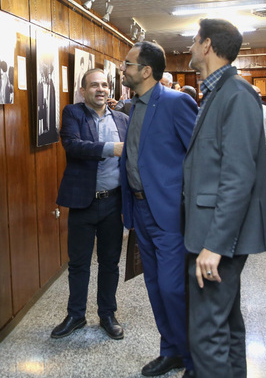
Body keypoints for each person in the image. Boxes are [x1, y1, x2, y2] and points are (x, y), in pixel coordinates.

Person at [183, 18, 266, 378]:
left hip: (216, 238)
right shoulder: (218, 92)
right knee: (226, 324)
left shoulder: (237, 95)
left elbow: (238, 178)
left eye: (194, 40)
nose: (190, 47)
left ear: (207, 45)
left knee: (206, 334)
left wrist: (216, 244)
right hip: (210, 231)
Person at [119, 41, 198, 377]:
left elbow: (198, 157)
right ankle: (171, 351)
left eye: (127, 64)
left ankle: (195, 360)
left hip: (168, 213)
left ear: (146, 71)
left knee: (173, 287)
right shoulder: (133, 106)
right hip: (139, 211)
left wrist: (187, 205)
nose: (123, 69)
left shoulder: (177, 102)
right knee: (154, 285)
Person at [51, 69, 129, 341]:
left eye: (105, 85)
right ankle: (76, 314)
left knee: (110, 262)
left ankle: (107, 314)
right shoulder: (73, 113)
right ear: (83, 90)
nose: (100, 89)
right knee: (79, 263)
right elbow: (73, 146)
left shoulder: (122, 119)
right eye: (94, 85)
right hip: (83, 203)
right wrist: (111, 148)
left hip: (112, 203)